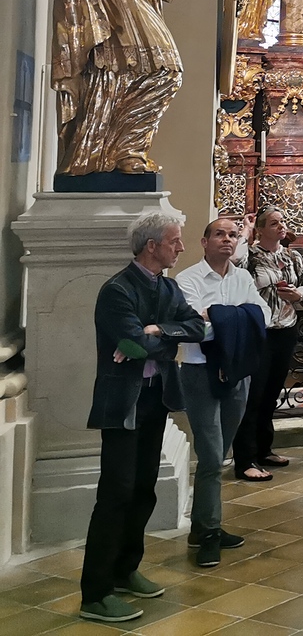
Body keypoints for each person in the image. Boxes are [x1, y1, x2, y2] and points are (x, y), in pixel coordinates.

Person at [78, 211, 208, 624]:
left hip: (154, 399)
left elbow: (197, 328)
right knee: (115, 494)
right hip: (123, 403)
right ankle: (95, 593)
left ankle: (124, 569)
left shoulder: (167, 286)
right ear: (151, 246)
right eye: (174, 241)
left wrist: (156, 331)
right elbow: (132, 345)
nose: (181, 247)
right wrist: (153, 336)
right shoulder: (116, 290)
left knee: (143, 489)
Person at [177, 217, 268, 566]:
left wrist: (218, 316)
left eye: (232, 234)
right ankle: (209, 534)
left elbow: (262, 316)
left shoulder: (242, 278)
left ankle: (202, 526)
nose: (227, 239)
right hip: (200, 371)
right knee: (212, 456)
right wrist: (237, 317)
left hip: (237, 372)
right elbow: (196, 329)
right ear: (204, 242)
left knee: (220, 453)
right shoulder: (188, 280)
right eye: (219, 234)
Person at [233, 206, 303, 482]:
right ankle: (245, 458)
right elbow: (235, 267)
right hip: (260, 331)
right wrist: (244, 231)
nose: (281, 226)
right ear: (261, 229)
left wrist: (297, 295)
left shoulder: (293, 256)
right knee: (253, 395)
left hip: (286, 329)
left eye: (282, 222)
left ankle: (264, 449)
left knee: (271, 393)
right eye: (274, 223)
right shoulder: (251, 255)